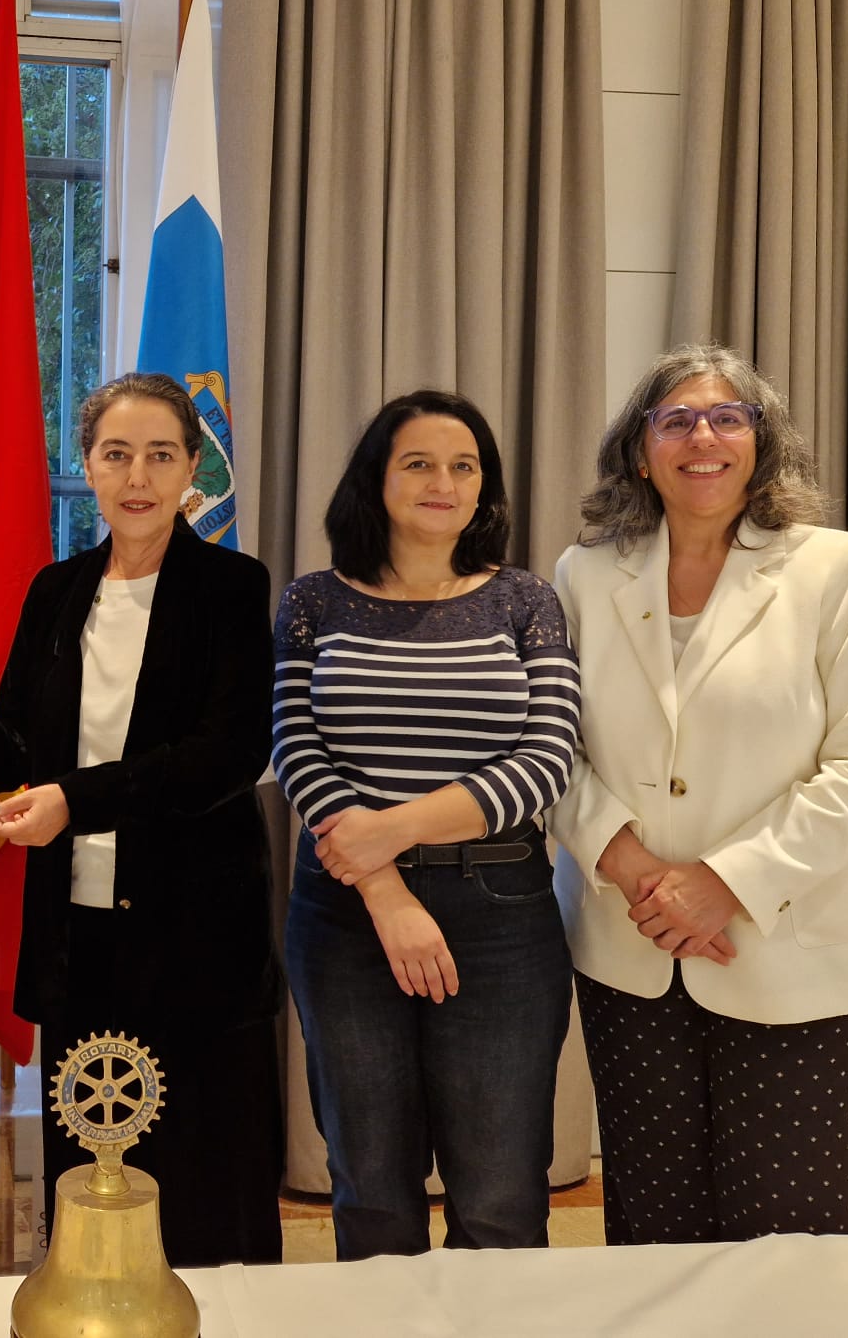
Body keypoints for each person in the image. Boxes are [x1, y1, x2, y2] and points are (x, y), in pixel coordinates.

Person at [0, 371, 284, 1268]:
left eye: (162, 454)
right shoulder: (58, 588)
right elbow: (32, 743)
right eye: (116, 454)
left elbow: (227, 756)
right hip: (79, 937)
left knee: (202, 1185)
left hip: (195, 937)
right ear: (88, 466)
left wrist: (76, 802)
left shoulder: (233, 587)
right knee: (90, 1164)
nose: (138, 475)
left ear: (194, 468)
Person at [549, 345, 848, 1244]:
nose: (701, 436)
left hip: (796, 954)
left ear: (761, 443)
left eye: (727, 417)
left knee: (795, 1233)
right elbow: (550, 745)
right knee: (654, 1225)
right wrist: (631, 866)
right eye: (675, 420)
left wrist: (727, 881)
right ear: (641, 451)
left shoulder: (838, 566)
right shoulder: (585, 577)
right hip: (630, 949)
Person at [273, 390, 579, 1259]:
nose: (443, 482)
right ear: (377, 477)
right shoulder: (313, 602)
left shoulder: (527, 601)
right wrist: (382, 885)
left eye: (464, 466)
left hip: (503, 911)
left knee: (501, 1188)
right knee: (370, 1183)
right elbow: (297, 749)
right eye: (418, 463)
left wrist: (392, 829)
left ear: (485, 487)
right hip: (345, 911)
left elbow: (547, 757)